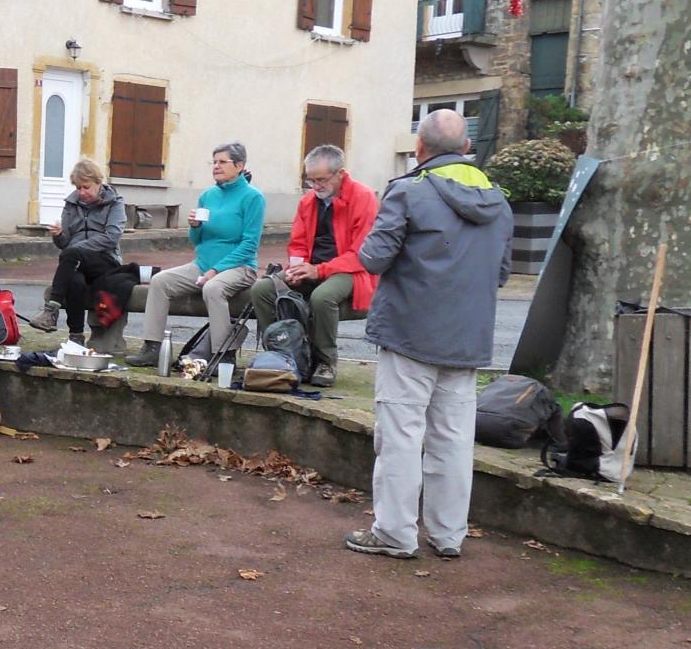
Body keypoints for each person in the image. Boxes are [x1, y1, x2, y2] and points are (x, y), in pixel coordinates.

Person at [347, 108, 513, 560]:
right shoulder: (498, 200)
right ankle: (448, 535)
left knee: (401, 436)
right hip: (466, 340)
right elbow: (500, 273)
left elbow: (374, 258)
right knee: (454, 440)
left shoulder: (408, 191)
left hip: (409, 333)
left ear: (419, 149)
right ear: (465, 150)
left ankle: (395, 533)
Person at [244, 144, 379, 388]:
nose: (316, 186)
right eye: (310, 180)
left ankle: (325, 362)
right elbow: (297, 243)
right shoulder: (308, 202)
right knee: (261, 290)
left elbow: (361, 253)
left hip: (350, 269)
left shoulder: (364, 198)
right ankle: (279, 353)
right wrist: (296, 267)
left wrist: (319, 270)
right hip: (312, 267)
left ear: (340, 174)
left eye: (321, 180)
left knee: (322, 297)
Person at [125, 142, 264, 366]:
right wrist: (195, 227)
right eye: (214, 162)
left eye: (222, 162)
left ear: (239, 165)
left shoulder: (252, 198)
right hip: (202, 264)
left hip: (239, 267)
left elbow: (249, 245)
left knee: (214, 287)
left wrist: (215, 270)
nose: (216, 166)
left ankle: (222, 356)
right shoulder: (208, 195)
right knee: (160, 281)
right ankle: (153, 348)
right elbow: (197, 241)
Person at [26, 158, 125, 339]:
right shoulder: (71, 204)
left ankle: (51, 311)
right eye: (78, 188)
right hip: (76, 262)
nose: (81, 192)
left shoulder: (115, 203)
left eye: (86, 187)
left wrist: (76, 248)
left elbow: (111, 238)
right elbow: (65, 244)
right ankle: (76, 337)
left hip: (105, 260)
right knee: (75, 281)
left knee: (71, 254)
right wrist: (58, 236)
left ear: (98, 183)